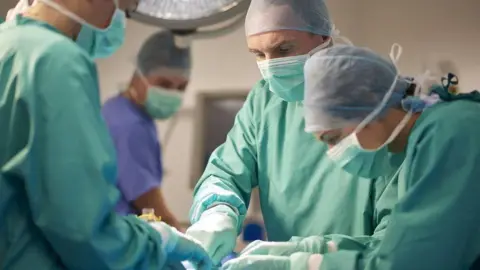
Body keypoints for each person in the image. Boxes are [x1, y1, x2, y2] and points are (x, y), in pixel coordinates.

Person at [186, 0, 401, 267]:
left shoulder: (372, 102)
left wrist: (312, 256)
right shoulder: (264, 101)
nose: (270, 67)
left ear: (323, 37)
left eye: (283, 49)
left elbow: (400, 242)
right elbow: (226, 171)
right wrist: (218, 212)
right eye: (258, 54)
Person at [225, 44, 480, 269]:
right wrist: (312, 250)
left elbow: (411, 263)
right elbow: (393, 246)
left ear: (367, 113)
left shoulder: (453, 132)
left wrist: (306, 266)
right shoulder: (421, 142)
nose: (332, 153)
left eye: (332, 138)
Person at [0, 0, 212, 269]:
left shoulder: (9, 42)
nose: (121, 14)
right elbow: (81, 227)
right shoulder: (56, 60)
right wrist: (157, 241)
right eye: (124, 6)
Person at [102, 30, 190, 231]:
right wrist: (184, 242)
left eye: (181, 87)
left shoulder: (117, 109)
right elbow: (151, 206)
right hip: (118, 240)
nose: (172, 93)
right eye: (164, 84)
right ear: (138, 76)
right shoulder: (129, 126)